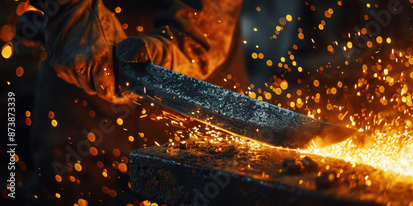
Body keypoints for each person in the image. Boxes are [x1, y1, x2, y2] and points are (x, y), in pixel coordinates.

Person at [19, 0, 247, 205]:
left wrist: (189, 41)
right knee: (65, 190)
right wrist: (69, 9)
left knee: (204, 189)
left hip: (195, 76)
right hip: (82, 55)